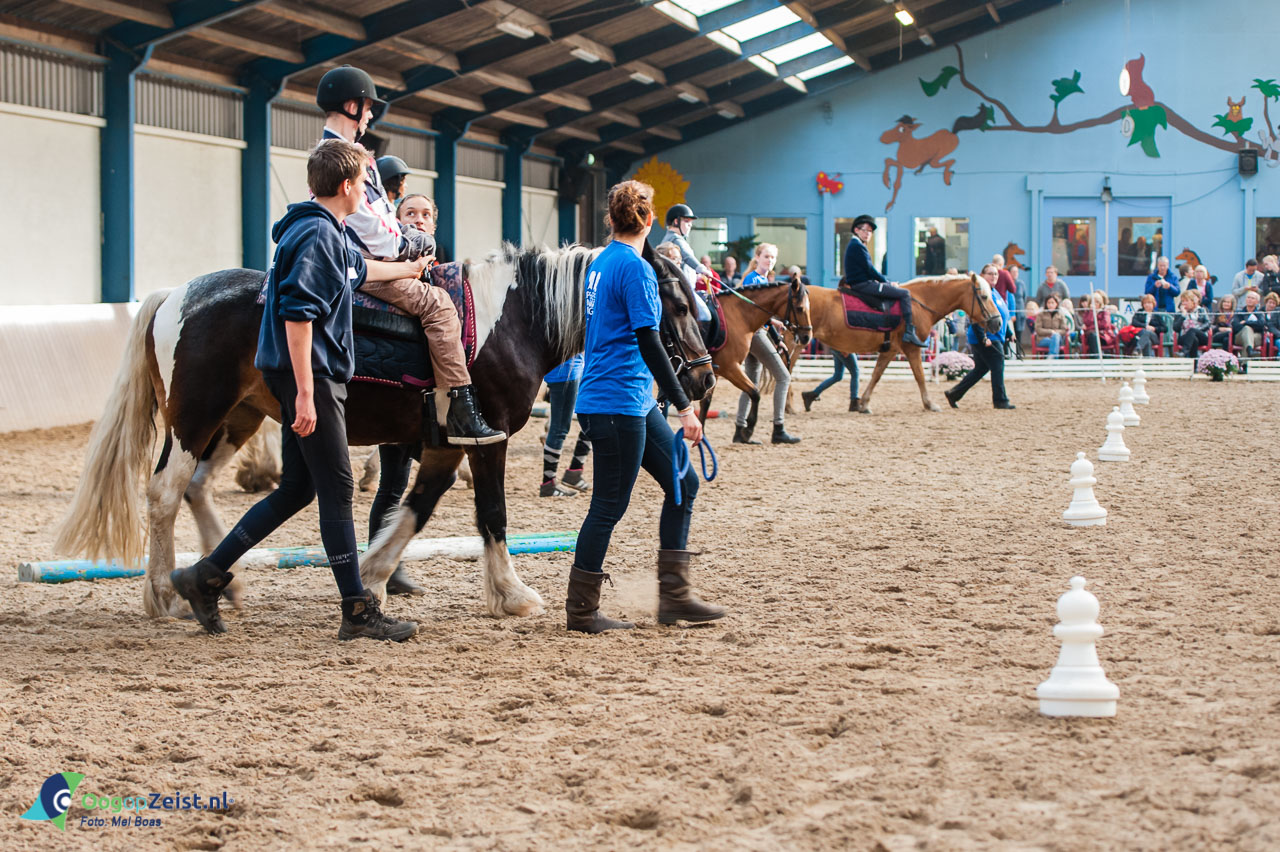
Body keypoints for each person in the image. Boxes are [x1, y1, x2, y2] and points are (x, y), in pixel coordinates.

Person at [170, 139, 419, 641]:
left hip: (309, 373)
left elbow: (360, 271)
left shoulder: (326, 230)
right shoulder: (316, 236)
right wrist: (306, 393)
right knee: (338, 489)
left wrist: (408, 269)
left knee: (297, 489)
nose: (369, 196)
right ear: (349, 186)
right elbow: (297, 315)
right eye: (366, 187)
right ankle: (357, 610)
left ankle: (205, 576)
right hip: (311, 374)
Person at [566, 180, 724, 633]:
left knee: (684, 483)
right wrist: (684, 406)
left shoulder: (603, 262)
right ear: (649, 220)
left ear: (611, 220)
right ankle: (581, 611)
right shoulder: (634, 269)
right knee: (607, 506)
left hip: (629, 399)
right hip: (616, 400)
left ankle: (674, 597)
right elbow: (650, 340)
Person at [317, 65, 502, 446]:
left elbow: (382, 217)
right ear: (351, 106)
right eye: (367, 108)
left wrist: (405, 238)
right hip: (366, 264)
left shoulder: (343, 153)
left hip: (370, 254)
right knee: (437, 304)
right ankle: (460, 409)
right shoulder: (346, 156)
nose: (369, 115)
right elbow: (374, 228)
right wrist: (414, 247)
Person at [733, 243, 800, 445]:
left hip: (756, 332)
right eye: (766, 257)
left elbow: (760, 313)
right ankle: (778, 428)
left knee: (750, 384)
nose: (770, 261)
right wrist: (777, 337)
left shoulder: (760, 279)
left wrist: (773, 325)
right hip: (756, 334)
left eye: (772, 258)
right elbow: (755, 313)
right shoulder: (755, 279)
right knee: (783, 376)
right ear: (758, 257)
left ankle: (740, 430)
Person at [841, 214, 930, 347]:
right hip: (863, 285)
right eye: (864, 230)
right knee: (904, 293)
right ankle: (909, 331)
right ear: (856, 230)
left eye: (870, 231)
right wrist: (887, 283)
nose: (868, 234)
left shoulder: (857, 245)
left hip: (863, 282)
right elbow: (870, 270)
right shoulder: (856, 246)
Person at [944, 264, 1014, 409]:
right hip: (987, 338)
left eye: (995, 274)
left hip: (995, 336)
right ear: (983, 276)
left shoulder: (995, 292)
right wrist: (983, 337)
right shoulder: (982, 294)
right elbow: (976, 317)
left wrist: (1009, 333)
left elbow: (1000, 316)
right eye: (990, 274)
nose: (994, 276)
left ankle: (954, 393)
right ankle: (1000, 400)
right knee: (997, 367)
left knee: (980, 369)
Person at [540, 356, 592, 497]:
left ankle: (575, 471)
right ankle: (548, 483)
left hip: (578, 366)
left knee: (592, 418)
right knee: (559, 428)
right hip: (565, 371)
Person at [660, 203, 714, 282]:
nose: (690, 225)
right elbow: (687, 256)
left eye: (691, 222)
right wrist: (702, 269)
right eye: (686, 221)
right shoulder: (675, 239)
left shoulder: (671, 238)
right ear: (676, 222)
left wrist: (696, 277)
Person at [801, 348, 860, 412]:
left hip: (836, 347)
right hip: (844, 346)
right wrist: (845, 348)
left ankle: (812, 394)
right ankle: (854, 403)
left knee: (838, 376)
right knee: (855, 372)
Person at [1173, 290, 1211, 356]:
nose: (1184, 303)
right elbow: (1175, 328)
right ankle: (1194, 363)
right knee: (1194, 340)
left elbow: (1207, 324)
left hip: (1201, 335)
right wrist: (1183, 315)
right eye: (1183, 301)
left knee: (1192, 330)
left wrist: (1196, 330)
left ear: (1193, 302)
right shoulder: (1179, 313)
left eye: (1187, 301)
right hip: (1185, 337)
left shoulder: (1201, 310)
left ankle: (1184, 352)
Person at [1232, 290, 1266, 356]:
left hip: (1256, 337)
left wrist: (1246, 323)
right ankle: (1250, 350)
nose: (1249, 300)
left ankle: (1245, 363)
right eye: (1248, 297)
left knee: (1247, 338)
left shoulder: (1259, 313)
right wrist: (1251, 325)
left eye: (1252, 298)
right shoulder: (1239, 313)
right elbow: (1235, 326)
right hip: (1240, 337)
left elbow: (1261, 324)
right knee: (1247, 330)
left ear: (1257, 302)